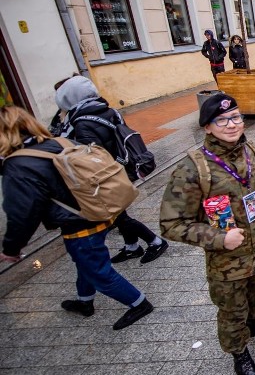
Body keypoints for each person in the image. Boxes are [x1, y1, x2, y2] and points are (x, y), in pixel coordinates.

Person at [160, 93, 255, 375]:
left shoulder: (252, 149)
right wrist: (217, 238)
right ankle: (240, 355)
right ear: (207, 127)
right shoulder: (192, 168)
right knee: (231, 311)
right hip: (226, 262)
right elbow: (170, 224)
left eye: (236, 118)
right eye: (223, 120)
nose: (232, 125)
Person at [0, 106, 154, 330]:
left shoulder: (19, 165)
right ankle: (85, 302)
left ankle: (139, 303)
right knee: (83, 262)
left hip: (80, 224)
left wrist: (11, 248)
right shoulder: (59, 143)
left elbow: (22, 213)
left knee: (98, 271)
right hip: (99, 211)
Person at [54, 76, 169, 264]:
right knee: (118, 212)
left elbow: (90, 156)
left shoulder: (81, 121)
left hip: (104, 176)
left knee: (117, 215)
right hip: (119, 168)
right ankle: (132, 246)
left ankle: (155, 242)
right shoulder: (105, 109)